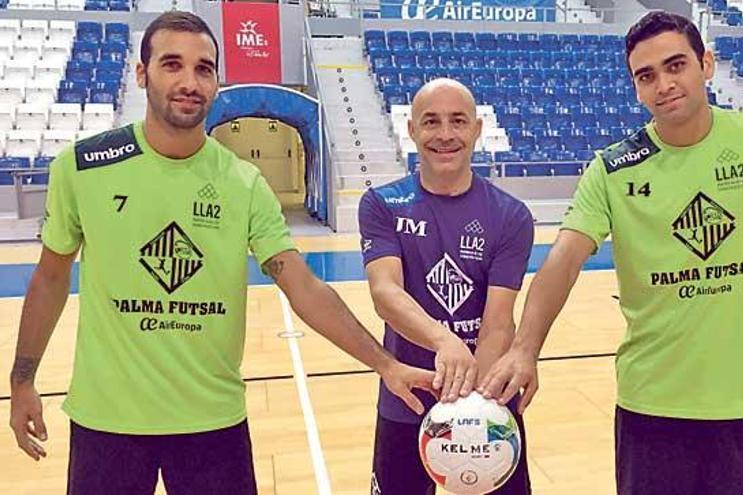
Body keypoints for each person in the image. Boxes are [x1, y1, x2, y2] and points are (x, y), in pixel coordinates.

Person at [8, 11, 434, 494]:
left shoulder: (244, 183)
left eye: (204, 68)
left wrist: (385, 363)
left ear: (216, 82)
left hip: (212, 423)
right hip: (108, 423)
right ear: (142, 73)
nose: (189, 81)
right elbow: (49, 278)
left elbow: (303, 286)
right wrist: (23, 380)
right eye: (172, 64)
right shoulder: (82, 168)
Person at [479, 11, 743, 495]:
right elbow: (564, 258)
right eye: (647, 76)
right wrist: (525, 348)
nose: (664, 83)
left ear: (706, 64)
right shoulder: (613, 168)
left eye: (676, 65)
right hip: (651, 412)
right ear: (636, 88)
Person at [358, 78, 535, 494]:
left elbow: (497, 324)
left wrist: (473, 404)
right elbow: (386, 293)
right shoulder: (382, 204)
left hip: (489, 400)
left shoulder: (511, 216)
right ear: (412, 131)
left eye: (458, 121)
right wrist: (446, 341)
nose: (445, 134)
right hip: (409, 397)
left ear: (476, 129)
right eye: (431, 121)